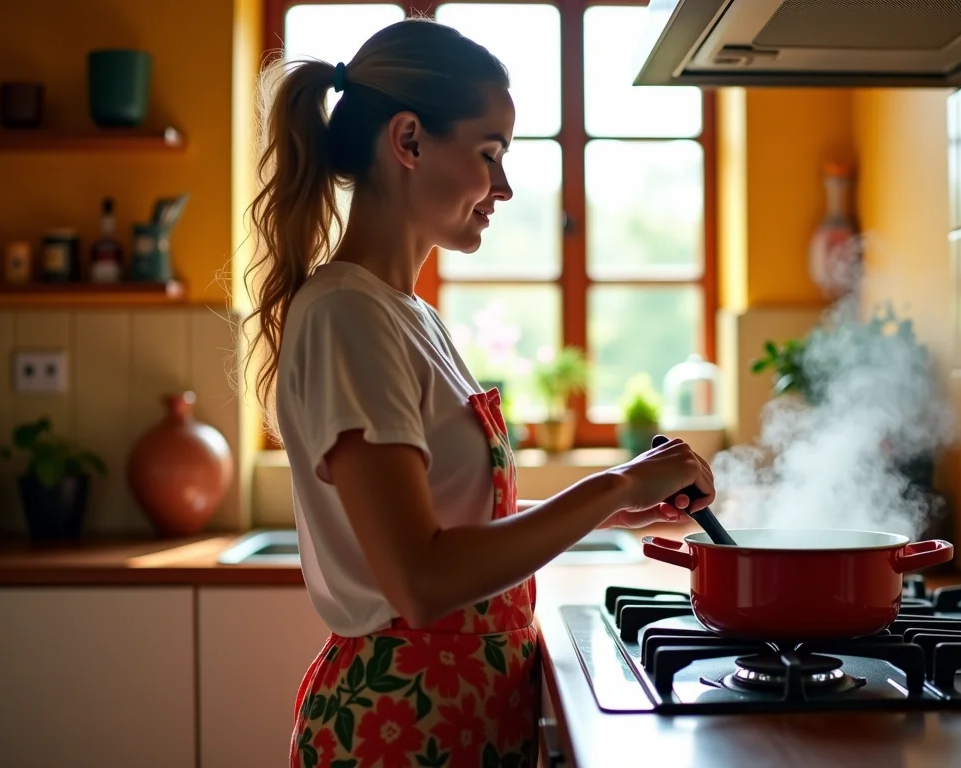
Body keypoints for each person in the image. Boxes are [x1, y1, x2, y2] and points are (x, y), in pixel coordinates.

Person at [242, 19, 715, 768]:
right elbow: (423, 579)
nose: (504, 186)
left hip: (457, 717)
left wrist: (613, 510)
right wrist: (614, 481)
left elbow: (452, 523)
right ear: (408, 140)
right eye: (489, 153)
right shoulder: (347, 314)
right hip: (400, 728)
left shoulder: (408, 315)